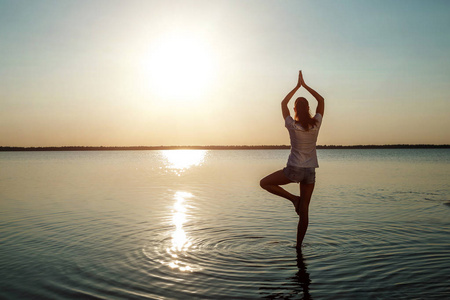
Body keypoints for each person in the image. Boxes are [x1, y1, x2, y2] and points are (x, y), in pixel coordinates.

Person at [260, 70, 324, 249]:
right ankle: (298, 247)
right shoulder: (316, 124)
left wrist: (297, 87)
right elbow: (322, 101)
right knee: (305, 211)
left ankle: (293, 199)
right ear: (308, 109)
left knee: (264, 183)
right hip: (310, 171)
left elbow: (283, 103)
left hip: (294, 169)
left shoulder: (292, 125)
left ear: (295, 109)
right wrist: (306, 86)